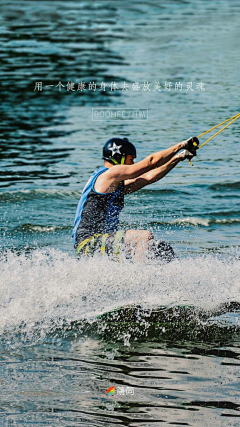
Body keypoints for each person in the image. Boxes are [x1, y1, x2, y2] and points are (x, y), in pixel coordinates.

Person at [72, 136, 199, 262]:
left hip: (102, 243)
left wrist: (178, 158)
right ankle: (139, 278)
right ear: (119, 157)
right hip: (89, 244)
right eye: (131, 159)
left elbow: (148, 178)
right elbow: (151, 162)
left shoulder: (111, 184)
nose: (132, 163)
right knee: (143, 238)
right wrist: (182, 145)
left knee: (161, 249)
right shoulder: (110, 174)